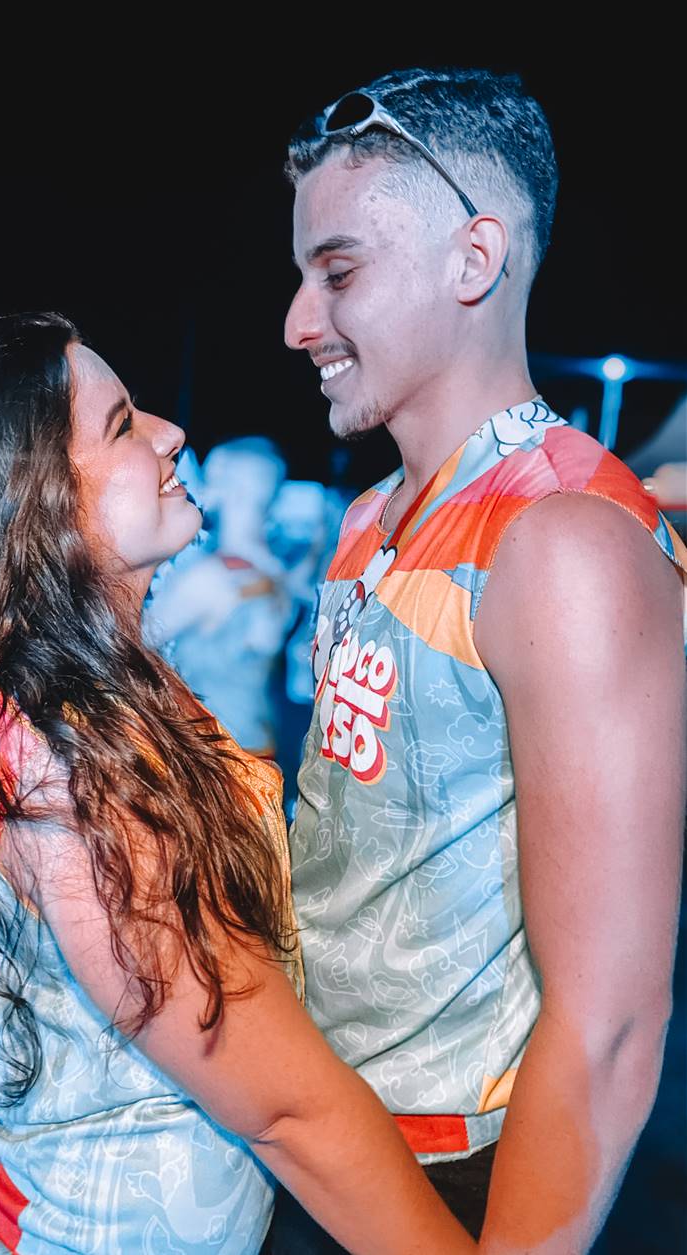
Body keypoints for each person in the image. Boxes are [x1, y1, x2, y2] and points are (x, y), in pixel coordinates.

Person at [0, 313, 479, 1254]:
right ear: (39, 501)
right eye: (123, 424)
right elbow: (287, 1112)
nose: (170, 433)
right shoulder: (70, 782)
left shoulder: (80, 677)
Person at [277, 69, 687, 1252]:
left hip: (452, 1178)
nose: (297, 322)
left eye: (337, 273)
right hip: (320, 1141)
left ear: (473, 259)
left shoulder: (559, 540)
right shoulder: (370, 517)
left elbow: (608, 1029)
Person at [148, 436, 292, 757]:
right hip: (259, 745)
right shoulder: (274, 572)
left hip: (213, 753)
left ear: (233, 491)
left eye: (211, 478)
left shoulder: (210, 578)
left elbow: (130, 643)